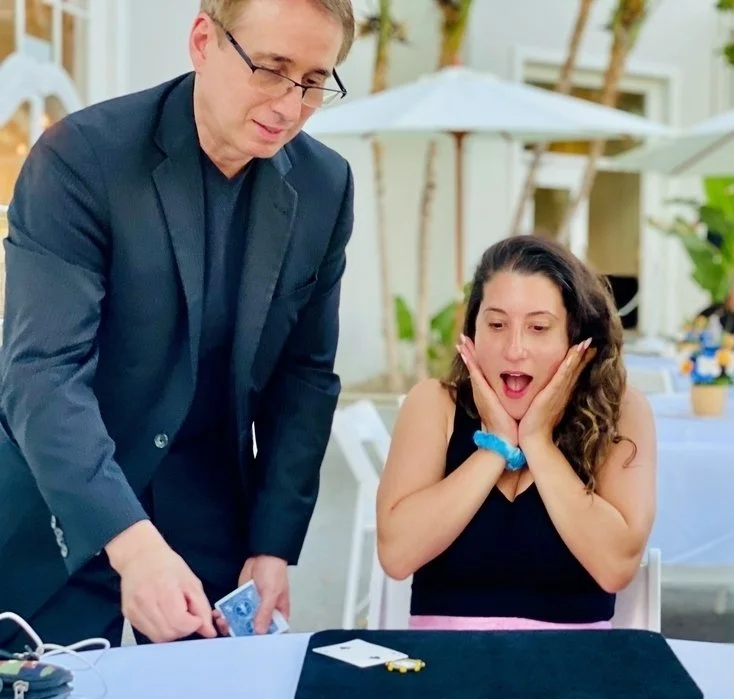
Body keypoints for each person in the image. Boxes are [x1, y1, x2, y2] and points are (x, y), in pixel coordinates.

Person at [0, 0, 356, 651]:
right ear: (202, 41)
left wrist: (273, 546)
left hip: (214, 531)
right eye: (271, 70)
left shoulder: (325, 186)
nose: (290, 105)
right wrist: (132, 548)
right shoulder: (80, 158)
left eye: (313, 82)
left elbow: (304, 377)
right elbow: (42, 373)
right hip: (61, 518)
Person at [375, 235, 657, 629]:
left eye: (539, 327)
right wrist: (497, 446)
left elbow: (615, 568)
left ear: (577, 338)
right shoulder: (434, 405)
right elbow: (396, 555)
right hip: (445, 674)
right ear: (473, 331)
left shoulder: (621, 412)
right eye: (496, 324)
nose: (514, 348)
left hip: (575, 679)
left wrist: (538, 442)